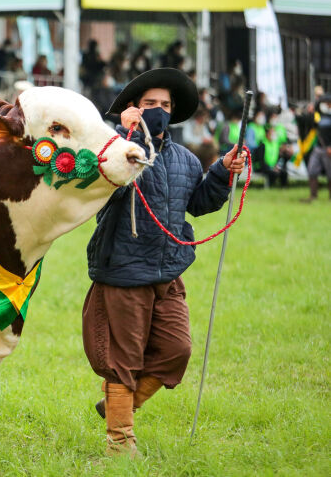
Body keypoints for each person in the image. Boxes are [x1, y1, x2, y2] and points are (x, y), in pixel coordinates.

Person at [83, 68, 246, 457]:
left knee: (177, 350)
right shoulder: (110, 150)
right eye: (150, 104)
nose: (159, 110)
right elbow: (99, 188)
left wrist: (222, 170)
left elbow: (198, 202)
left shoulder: (186, 160)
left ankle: (117, 406)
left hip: (168, 271)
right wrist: (127, 138)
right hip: (124, 270)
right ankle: (119, 444)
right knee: (124, 361)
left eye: (166, 105)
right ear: (133, 109)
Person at [301, 94, 331, 202]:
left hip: (329, 150)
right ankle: (313, 195)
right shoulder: (319, 116)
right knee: (312, 170)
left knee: (330, 173)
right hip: (318, 148)